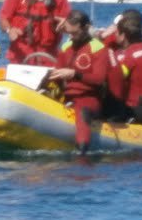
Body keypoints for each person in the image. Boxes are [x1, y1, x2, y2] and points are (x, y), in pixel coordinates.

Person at [47, 10, 113, 154]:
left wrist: (75, 74)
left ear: (85, 29)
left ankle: (82, 153)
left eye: (74, 33)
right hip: (68, 96)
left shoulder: (98, 48)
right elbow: (58, 72)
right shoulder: (66, 47)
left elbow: (99, 79)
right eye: (68, 33)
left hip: (89, 97)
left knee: (83, 110)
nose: (71, 37)